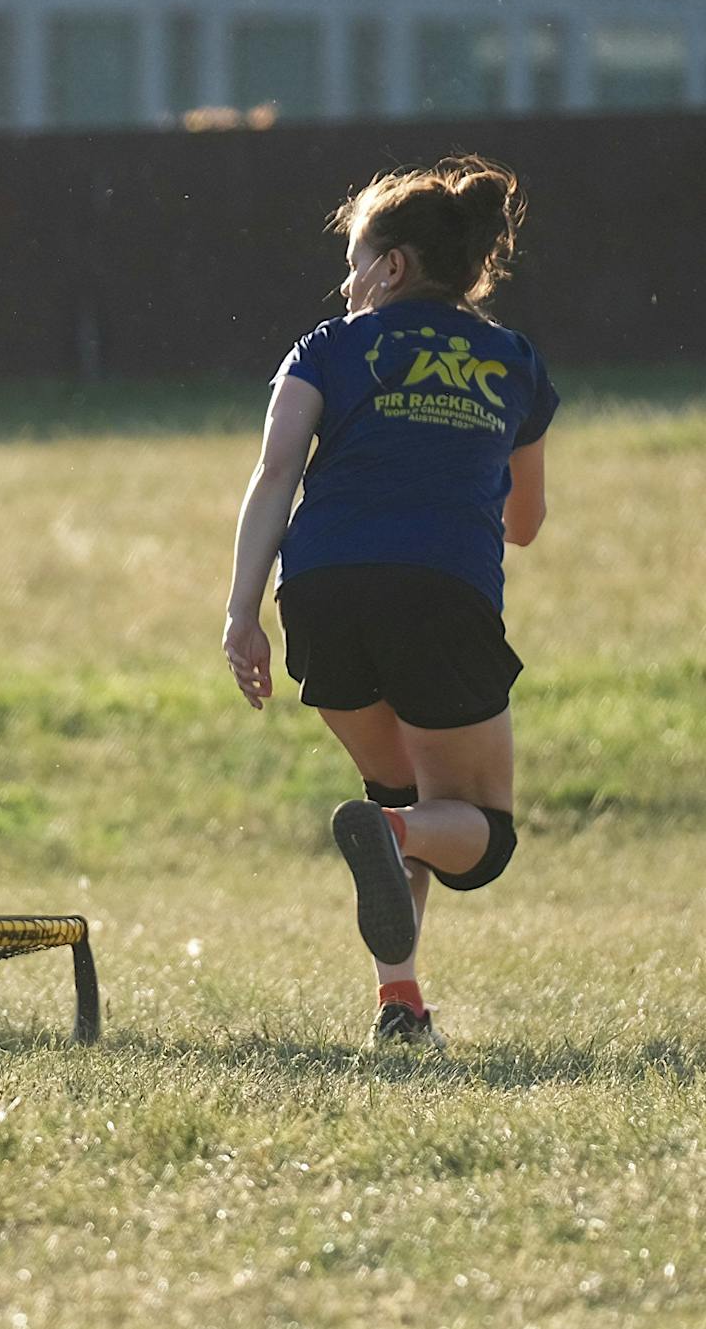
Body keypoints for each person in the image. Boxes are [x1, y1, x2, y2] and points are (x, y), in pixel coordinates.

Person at [222, 155, 557, 1048]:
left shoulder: (327, 348)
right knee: (477, 828)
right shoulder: (512, 359)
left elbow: (274, 476)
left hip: (319, 591)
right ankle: (393, 829)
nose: (346, 278)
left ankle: (400, 1006)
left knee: (395, 791)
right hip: (439, 589)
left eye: (355, 256)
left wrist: (240, 612)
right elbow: (524, 523)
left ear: (393, 267)